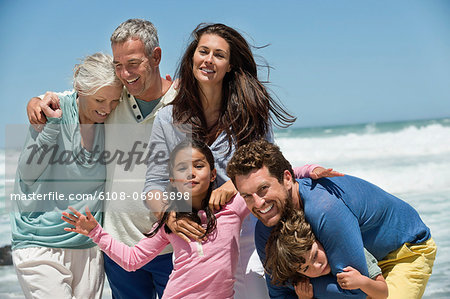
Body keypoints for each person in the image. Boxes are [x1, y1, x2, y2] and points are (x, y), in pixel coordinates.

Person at [142, 23, 342, 298]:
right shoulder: (168, 119)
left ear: (230, 66)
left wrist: (235, 186)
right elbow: (152, 183)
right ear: (192, 57)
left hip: (250, 237)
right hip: (196, 246)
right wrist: (167, 214)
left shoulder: (251, 114)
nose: (209, 60)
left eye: (219, 55)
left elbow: (272, 170)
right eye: (203, 51)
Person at [27, 19, 177, 298]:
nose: (124, 74)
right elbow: (73, 97)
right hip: (118, 248)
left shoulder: (183, 103)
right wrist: (35, 101)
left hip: (172, 247)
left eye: (132, 63)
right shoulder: (113, 99)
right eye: (118, 65)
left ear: (156, 57)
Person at [226, 140, 436, 299]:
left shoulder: (324, 208)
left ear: (288, 178)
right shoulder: (267, 225)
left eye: (263, 188)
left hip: (403, 252)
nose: (258, 203)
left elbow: (355, 294)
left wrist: (298, 285)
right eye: (246, 195)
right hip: (357, 266)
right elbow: (279, 293)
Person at [62, 140, 251, 298]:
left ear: (213, 175)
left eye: (199, 166)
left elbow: (262, 182)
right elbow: (132, 260)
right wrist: (97, 233)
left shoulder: (231, 208)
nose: (190, 172)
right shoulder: (171, 223)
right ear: (172, 180)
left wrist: (232, 184)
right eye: (182, 168)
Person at [10, 53, 123, 299]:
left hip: (88, 247)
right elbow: (29, 174)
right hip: (40, 244)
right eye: (100, 100)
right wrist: (52, 126)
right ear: (80, 89)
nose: (107, 109)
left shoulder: (114, 118)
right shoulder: (54, 109)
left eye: (114, 101)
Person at [265, 208, 388, 299]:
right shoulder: (308, 281)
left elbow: (383, 292)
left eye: (314, 255)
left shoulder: (351, 253)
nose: (316, 266)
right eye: (306, 268)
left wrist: (362, 281)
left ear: (318, 240)